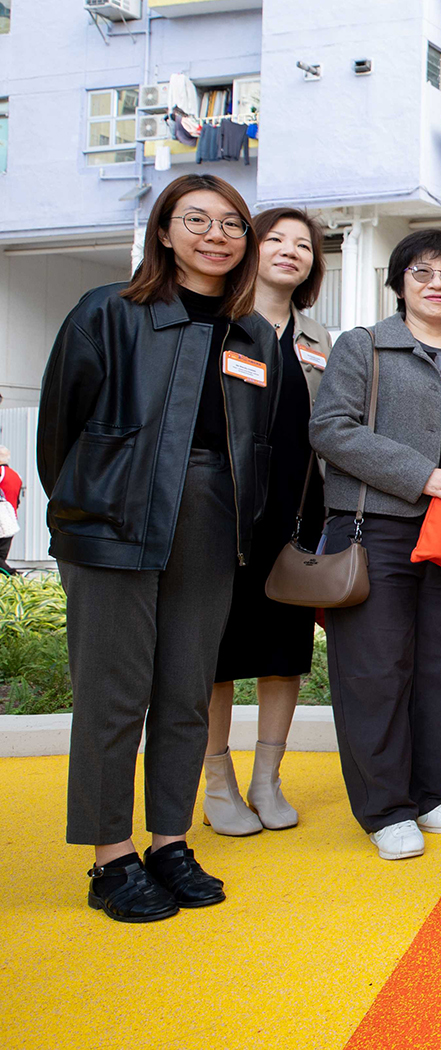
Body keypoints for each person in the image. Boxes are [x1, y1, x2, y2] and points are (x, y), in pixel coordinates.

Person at [39, 173, 278, 921]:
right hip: (113, 517)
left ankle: (169, 840)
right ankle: (111, 859)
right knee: (112, 696)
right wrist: (90, 503)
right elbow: (59, 432)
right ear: (164, 232)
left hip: (209, 520)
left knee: (185, 689)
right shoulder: (108, 313)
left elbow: (252, 442)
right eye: (196, 220)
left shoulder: (254, 335)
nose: (216, 235)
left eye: (232, 224)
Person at [309, 229, 441, 862]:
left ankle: (425, 793)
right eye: (422, 272)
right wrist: (421, 474)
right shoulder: (363, 347)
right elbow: (331, 429)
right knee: (375, 673)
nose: (437, 285)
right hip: (377, 530)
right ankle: (384, 808)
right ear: (398, 282)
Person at [200, 206, 333, 837]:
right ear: (250, 250)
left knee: (285, 653)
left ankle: (267, 779)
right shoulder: (219, 327)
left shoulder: (319, 340)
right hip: (221, 518)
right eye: (274, 239)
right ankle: (217, 781)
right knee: (217, 656)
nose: (288, 250)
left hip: (294, 519)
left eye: (302, 245)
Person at [0, 446, 20, 572]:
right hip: (10, 521)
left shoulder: (1, 473)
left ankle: (13, 574)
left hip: (2, 521)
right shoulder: (16, 475)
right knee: (1, 557)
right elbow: (17, 501)